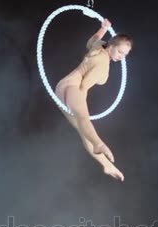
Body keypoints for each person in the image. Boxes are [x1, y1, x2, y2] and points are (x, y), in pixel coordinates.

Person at [54, 18, 133, 182]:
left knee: (84, 130)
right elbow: (84, 86)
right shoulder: (103, 65)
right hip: (72, 88)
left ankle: (106, 164)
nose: (122, 57)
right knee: (84, 120)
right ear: (112, 46)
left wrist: (103, 28)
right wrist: (80, 109)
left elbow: (92, 41)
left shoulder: (100, 46)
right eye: (120, 52)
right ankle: (99, 143)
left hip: (63, 86)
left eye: (125, 55)